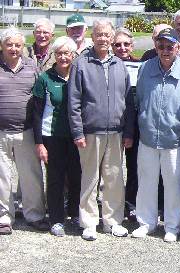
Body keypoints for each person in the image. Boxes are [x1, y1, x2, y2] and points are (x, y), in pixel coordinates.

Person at [68, 19, 134, 241]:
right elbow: (74, 101)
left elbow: (128, 101)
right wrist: (77, 132)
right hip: (90, 132)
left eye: (107, 35)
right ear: (92, 36)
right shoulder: (81, 63)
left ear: (112, 37)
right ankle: (88, 222)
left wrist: (128, 132)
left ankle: (113, 221)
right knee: (90, 178)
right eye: (99, 34)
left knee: (114, 178)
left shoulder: (119, 65)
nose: (103, 38)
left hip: (116, 132)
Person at [132, 28, 180, 242]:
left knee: (173, 184)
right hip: (148, 136)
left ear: (178, 47)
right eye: (161, 46)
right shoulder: (146, 68)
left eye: (170, 46)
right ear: (155, 47)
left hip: (175, 138)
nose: (165, 50)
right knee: (146, 181)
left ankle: (172, 226)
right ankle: (146, 222)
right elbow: (138, 100)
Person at [0, 27, 48, 235]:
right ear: (2, 46)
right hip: (0, 132)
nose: (14, 48)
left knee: (31, 176)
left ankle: (34, 215)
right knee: (1, 178)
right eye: (9, 44)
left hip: (26, 130)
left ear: (22, 47)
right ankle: (4, 217)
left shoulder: (32, 67)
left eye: (18, 45)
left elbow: (39, 99)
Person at [32, 36, 81, 237]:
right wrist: (39, 143)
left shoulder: (79, 76)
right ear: (54, 55)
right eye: (59, 53)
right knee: (55, 178)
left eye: (66, 53)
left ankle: (76, 214)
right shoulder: (45, 78)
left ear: (73, 55)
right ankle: (56, 219)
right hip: (52, 135)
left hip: (76, 135)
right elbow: (36, 112)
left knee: (77, 176)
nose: (63, 57)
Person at [112, 27, 142, 220]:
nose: (122, 48)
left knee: (133, 166)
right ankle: (111, 202)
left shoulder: (141, 65)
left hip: (134, 122)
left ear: (132, 46)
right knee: (111, 167)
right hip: (112, 121)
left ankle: (131, 202)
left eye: (126, 44)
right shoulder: (108, 64)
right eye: (117, 44)